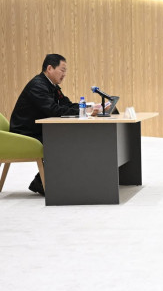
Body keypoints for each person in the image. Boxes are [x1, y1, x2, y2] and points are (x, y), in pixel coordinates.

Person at [10, 54, 100, 194]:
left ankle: (42, 182)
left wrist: (89, 107)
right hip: (24, 133)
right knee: (63, 142)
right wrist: (84, 111)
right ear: (50, 68)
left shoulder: (52, 85)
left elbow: (66, 105)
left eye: (65, 71)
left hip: (37, 130)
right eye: (62, 70)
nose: (64, 74)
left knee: (69, 139)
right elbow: (53, 110)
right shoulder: (38, 85)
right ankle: (42, 183)